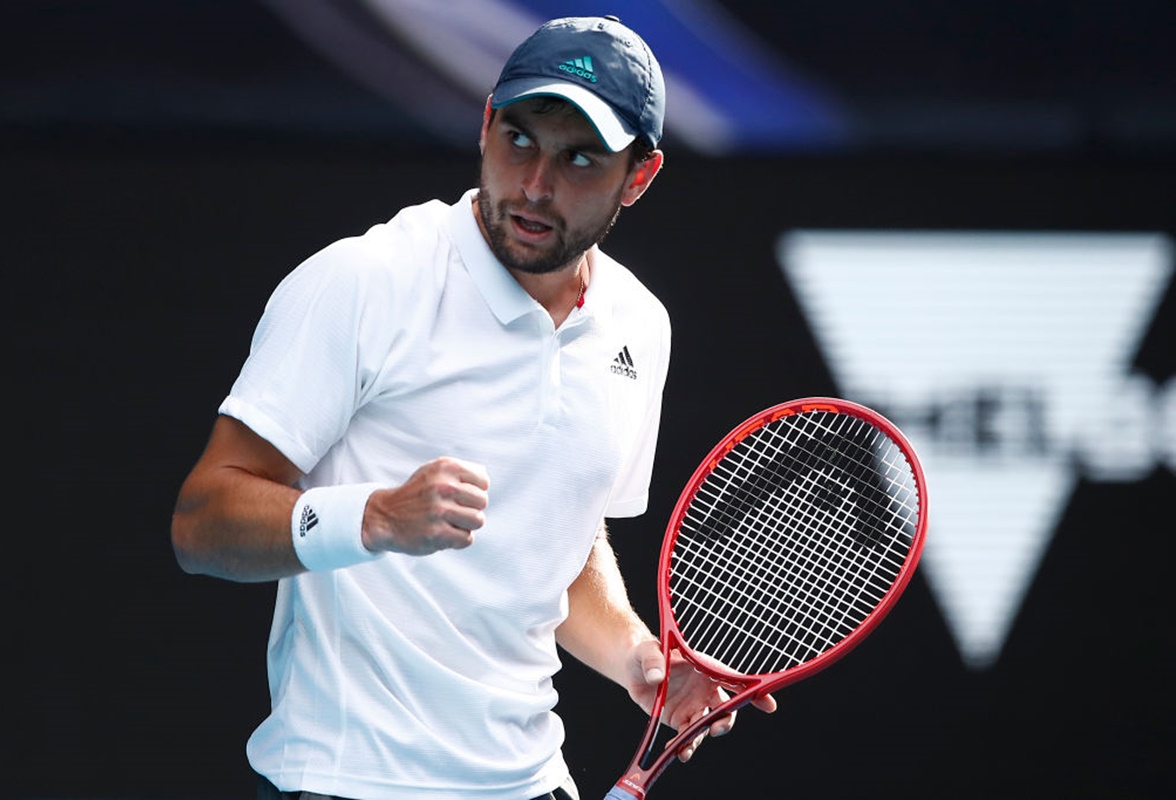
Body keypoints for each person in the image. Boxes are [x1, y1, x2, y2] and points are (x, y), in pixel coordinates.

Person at [171, 15, 775, 800]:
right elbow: (201, 522)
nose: (534, 185)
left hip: (527, 781)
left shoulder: (640, 327)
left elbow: (559, 538)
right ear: (486, 122)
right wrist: (376, 517)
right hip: (344, 780)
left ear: (640, 176)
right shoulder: (365, 281)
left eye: (580, 159)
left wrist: (637, 655)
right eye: (518, 140)